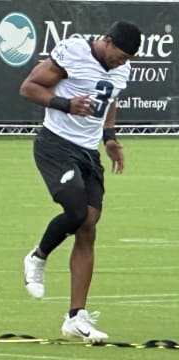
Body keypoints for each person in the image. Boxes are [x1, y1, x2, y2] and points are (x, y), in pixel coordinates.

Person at [20, 21, 141, 342]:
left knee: (89, 224)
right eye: (122, 54)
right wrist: (65, 104)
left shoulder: (120, 70)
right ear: (107, 41)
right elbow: (29, 87)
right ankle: (38, 256)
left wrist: (110, 137)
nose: (123, 62)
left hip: (88, 151)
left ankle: (76, 316)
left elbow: (110, 100)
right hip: (56, 143)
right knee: (75, 212)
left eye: (129, 58)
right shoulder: (74, 52)